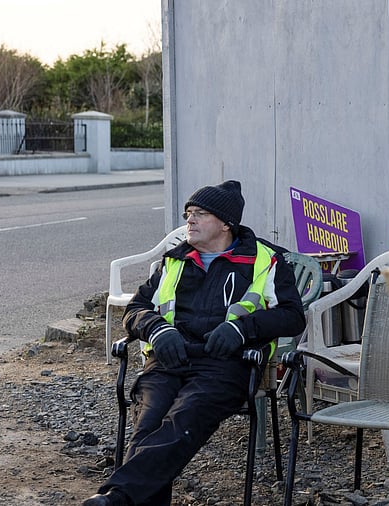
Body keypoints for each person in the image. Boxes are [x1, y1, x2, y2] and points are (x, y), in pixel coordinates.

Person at [84, 180, 307, 506]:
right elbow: (134, 309)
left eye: (199, 214)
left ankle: (117, 497)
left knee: (183, 419)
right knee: (148, 422)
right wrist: (158, 330)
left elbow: (292, 316)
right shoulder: (174, 260)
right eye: (189, 213)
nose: (189, 220)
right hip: (167, 360)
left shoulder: (267, 260)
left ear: (226, 223)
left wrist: (242, 330)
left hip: (226, 364)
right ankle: (120, 497)